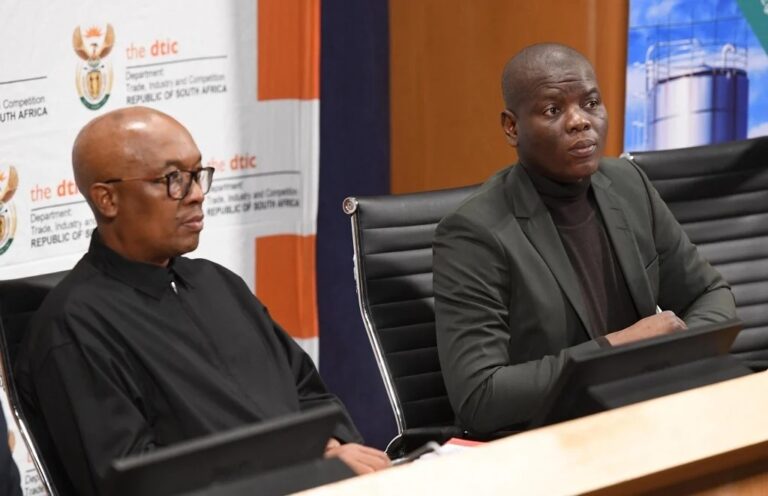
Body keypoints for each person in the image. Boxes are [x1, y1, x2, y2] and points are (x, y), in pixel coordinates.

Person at [15, 107, 389, 496]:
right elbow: (135, 482)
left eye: (197, 175)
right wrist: (304, 468)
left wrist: (330, 447)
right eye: (173, 180)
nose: (195, 195)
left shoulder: (217, 283)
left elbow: (309, 394)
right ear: (108, 199)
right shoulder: (74, 328)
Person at [433, 43, 736, 436]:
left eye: (591, 103)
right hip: (548, 439)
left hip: (640, 416)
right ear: (512, 127)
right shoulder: (474, 232)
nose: (580, 122)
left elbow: (710, 292)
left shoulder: (628, 184)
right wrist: (618, 349)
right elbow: (481, 395)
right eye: (553, 110)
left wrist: (669, 356)